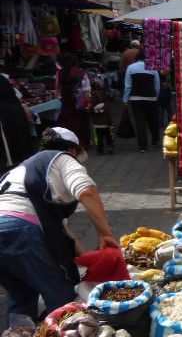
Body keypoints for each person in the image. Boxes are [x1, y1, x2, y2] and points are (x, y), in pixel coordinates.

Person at [0, 127, 119, 326]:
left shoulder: (21, 170)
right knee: (60, 294)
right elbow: (87, 191)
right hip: (20, 229)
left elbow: (62, 230)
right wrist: (105, 234)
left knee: (22, 295)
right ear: (72, 150)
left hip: (8, 228)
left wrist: (88, 261)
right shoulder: (62, 158)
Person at [124, 49, 161, 153]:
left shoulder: (130, 68)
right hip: (151, 98)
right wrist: (156, 96)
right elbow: (157, 85)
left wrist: (125, 100)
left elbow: (128, 86)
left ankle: (143, 147)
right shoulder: (153, 67)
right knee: (152, 119)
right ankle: (154, 140)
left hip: (135, 98)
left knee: (140, 122)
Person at [57, 54, 92, 148]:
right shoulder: (81, 73)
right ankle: (82, 143)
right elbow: (85, 89)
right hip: (79, 103)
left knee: (67, 122)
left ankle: (68, 143)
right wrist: (88, 102)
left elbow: (58, 89)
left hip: (66, 101)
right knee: (81, 122)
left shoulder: (60, 73)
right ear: (76, 63)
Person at [0, 74, 34, 171]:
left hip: (6, 113)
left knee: (10, 141)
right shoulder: (3, 79)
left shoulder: (2, 79)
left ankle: (12, 163)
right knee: (20, 138)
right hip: (14, 109)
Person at [89, 77, 114, 155]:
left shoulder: (92, 107)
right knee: (108, 136)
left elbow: (90, 112)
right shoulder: (105, 106)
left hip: (97, 125)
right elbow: (108, 115)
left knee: (99, 138)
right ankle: (110, 147)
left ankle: (100, 151)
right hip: (106, 124)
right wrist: (111, 124)